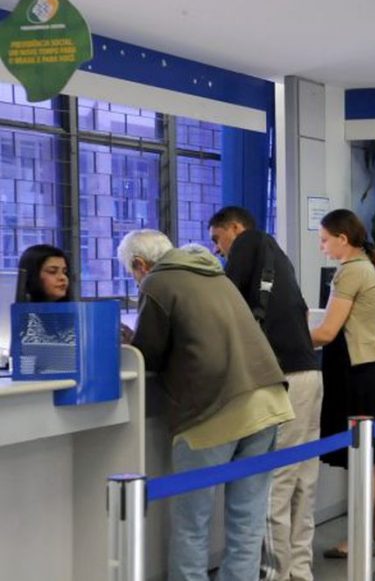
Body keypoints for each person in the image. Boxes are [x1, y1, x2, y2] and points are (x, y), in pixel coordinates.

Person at [119, 230, 294, 581]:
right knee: (247, 520)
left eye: (132, 273)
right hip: (266, 401)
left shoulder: (157, 282)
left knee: (191, 523)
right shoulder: (216, 276)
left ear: (140, 264)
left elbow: (149, 355)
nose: (136, 280)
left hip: (211, 409)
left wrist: (129, 341)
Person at [208, 206, 323, 581]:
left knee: (275, 482)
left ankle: (275, 573)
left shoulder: (249, 242)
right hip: (310, 374)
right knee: (303, 480)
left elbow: (227, 301)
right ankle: (299, 571)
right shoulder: (277, 255)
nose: (218, 249)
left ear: (235, 227)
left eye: (217, 239)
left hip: (284, 377)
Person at [310, 209, 375, 559]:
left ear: (343, 239)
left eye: (325, 240)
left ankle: (357, 539)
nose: (322, 247)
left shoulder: (351, 271)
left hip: (363, 374)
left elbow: (327, 332)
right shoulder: (373, 264)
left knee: (363, 459)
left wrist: (285, 342)